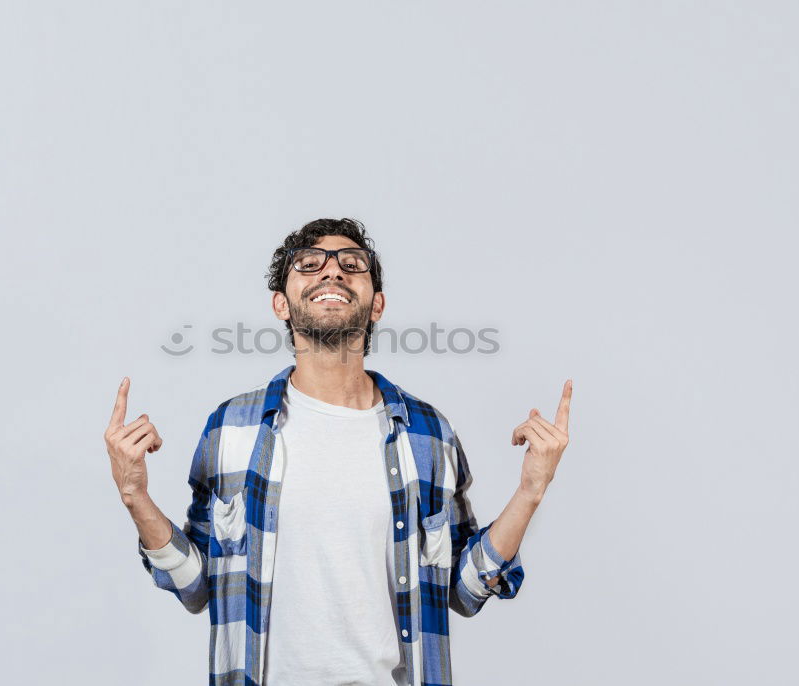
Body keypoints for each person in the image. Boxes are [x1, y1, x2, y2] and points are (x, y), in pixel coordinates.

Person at [103, 218, 572, 686]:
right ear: (281, 304)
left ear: (377, 305)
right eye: (310, 264)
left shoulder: (429, 435)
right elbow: (196, 586)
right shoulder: (230, 429)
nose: (332, 272)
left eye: (351, 264)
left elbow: (465, 591)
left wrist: (531, 491)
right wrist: (135, 496)